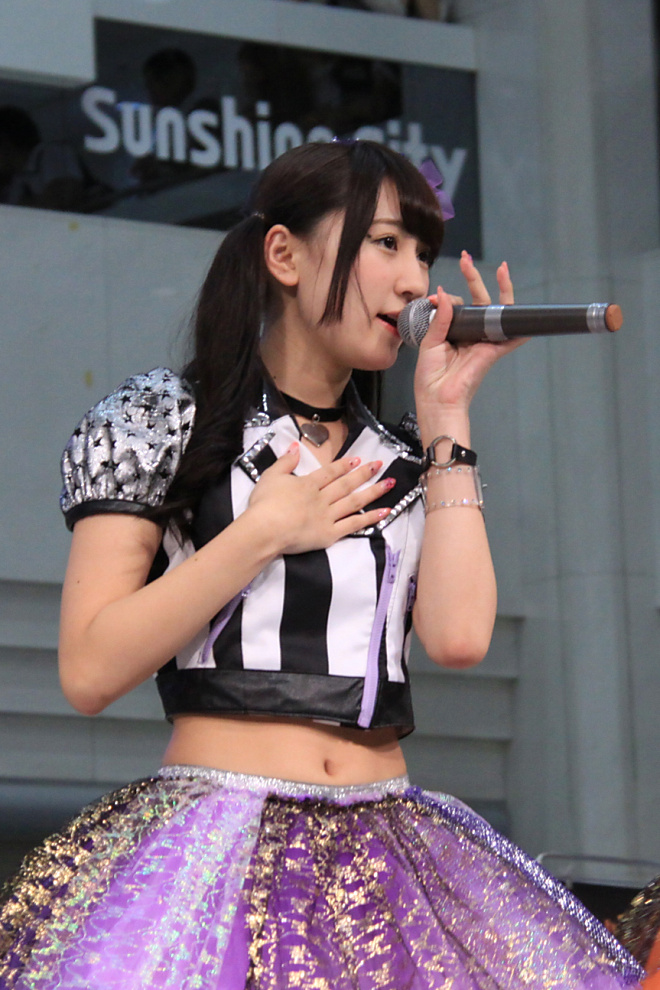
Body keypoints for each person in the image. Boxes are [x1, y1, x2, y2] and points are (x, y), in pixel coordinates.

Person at [0, 140, 643, 989]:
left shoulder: (404, 456)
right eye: (386, 243)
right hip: (214, 842)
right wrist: (260, 533)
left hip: (387, 847)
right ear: (284, 255)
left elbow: (458, 638)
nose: (414, 281)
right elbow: (88, 669)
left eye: (423, 251)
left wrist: (447, 417)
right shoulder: (164, 421)